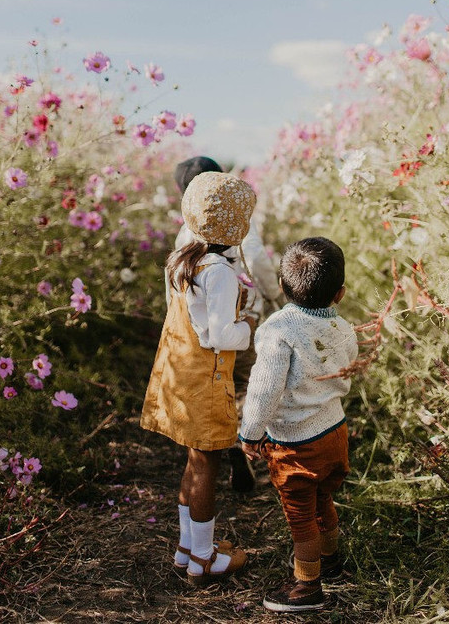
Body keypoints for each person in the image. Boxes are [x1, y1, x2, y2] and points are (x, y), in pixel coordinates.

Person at [141, 172, 258, 585]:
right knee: (207, 464)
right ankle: (203, 560)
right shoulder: (220, 271)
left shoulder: (183, 260)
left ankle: (187, 548)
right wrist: (248, 325)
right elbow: (220, 335)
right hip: (206, 380)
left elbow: (195, 317)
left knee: (193, 462)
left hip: (181, 376)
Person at [239, 237, 358, 613]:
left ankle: (308, 585)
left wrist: (250, 433)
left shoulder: (279, 329)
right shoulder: (344, 327)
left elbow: (264, 389)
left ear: (282, 284)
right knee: (323, 500)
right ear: (339, 293)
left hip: (296, 445)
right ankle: (331, 560)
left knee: (301, 516)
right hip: (335, 432)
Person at [172, 156, 280, 493]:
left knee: (218, 383)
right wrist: (274, 293)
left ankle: (220, 440)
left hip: (201, 330)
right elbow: (256, 257)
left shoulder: (185, 234)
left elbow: (175, 290)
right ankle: (242, 440)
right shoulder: (235, 219)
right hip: (241, 318)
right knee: (245, 380)